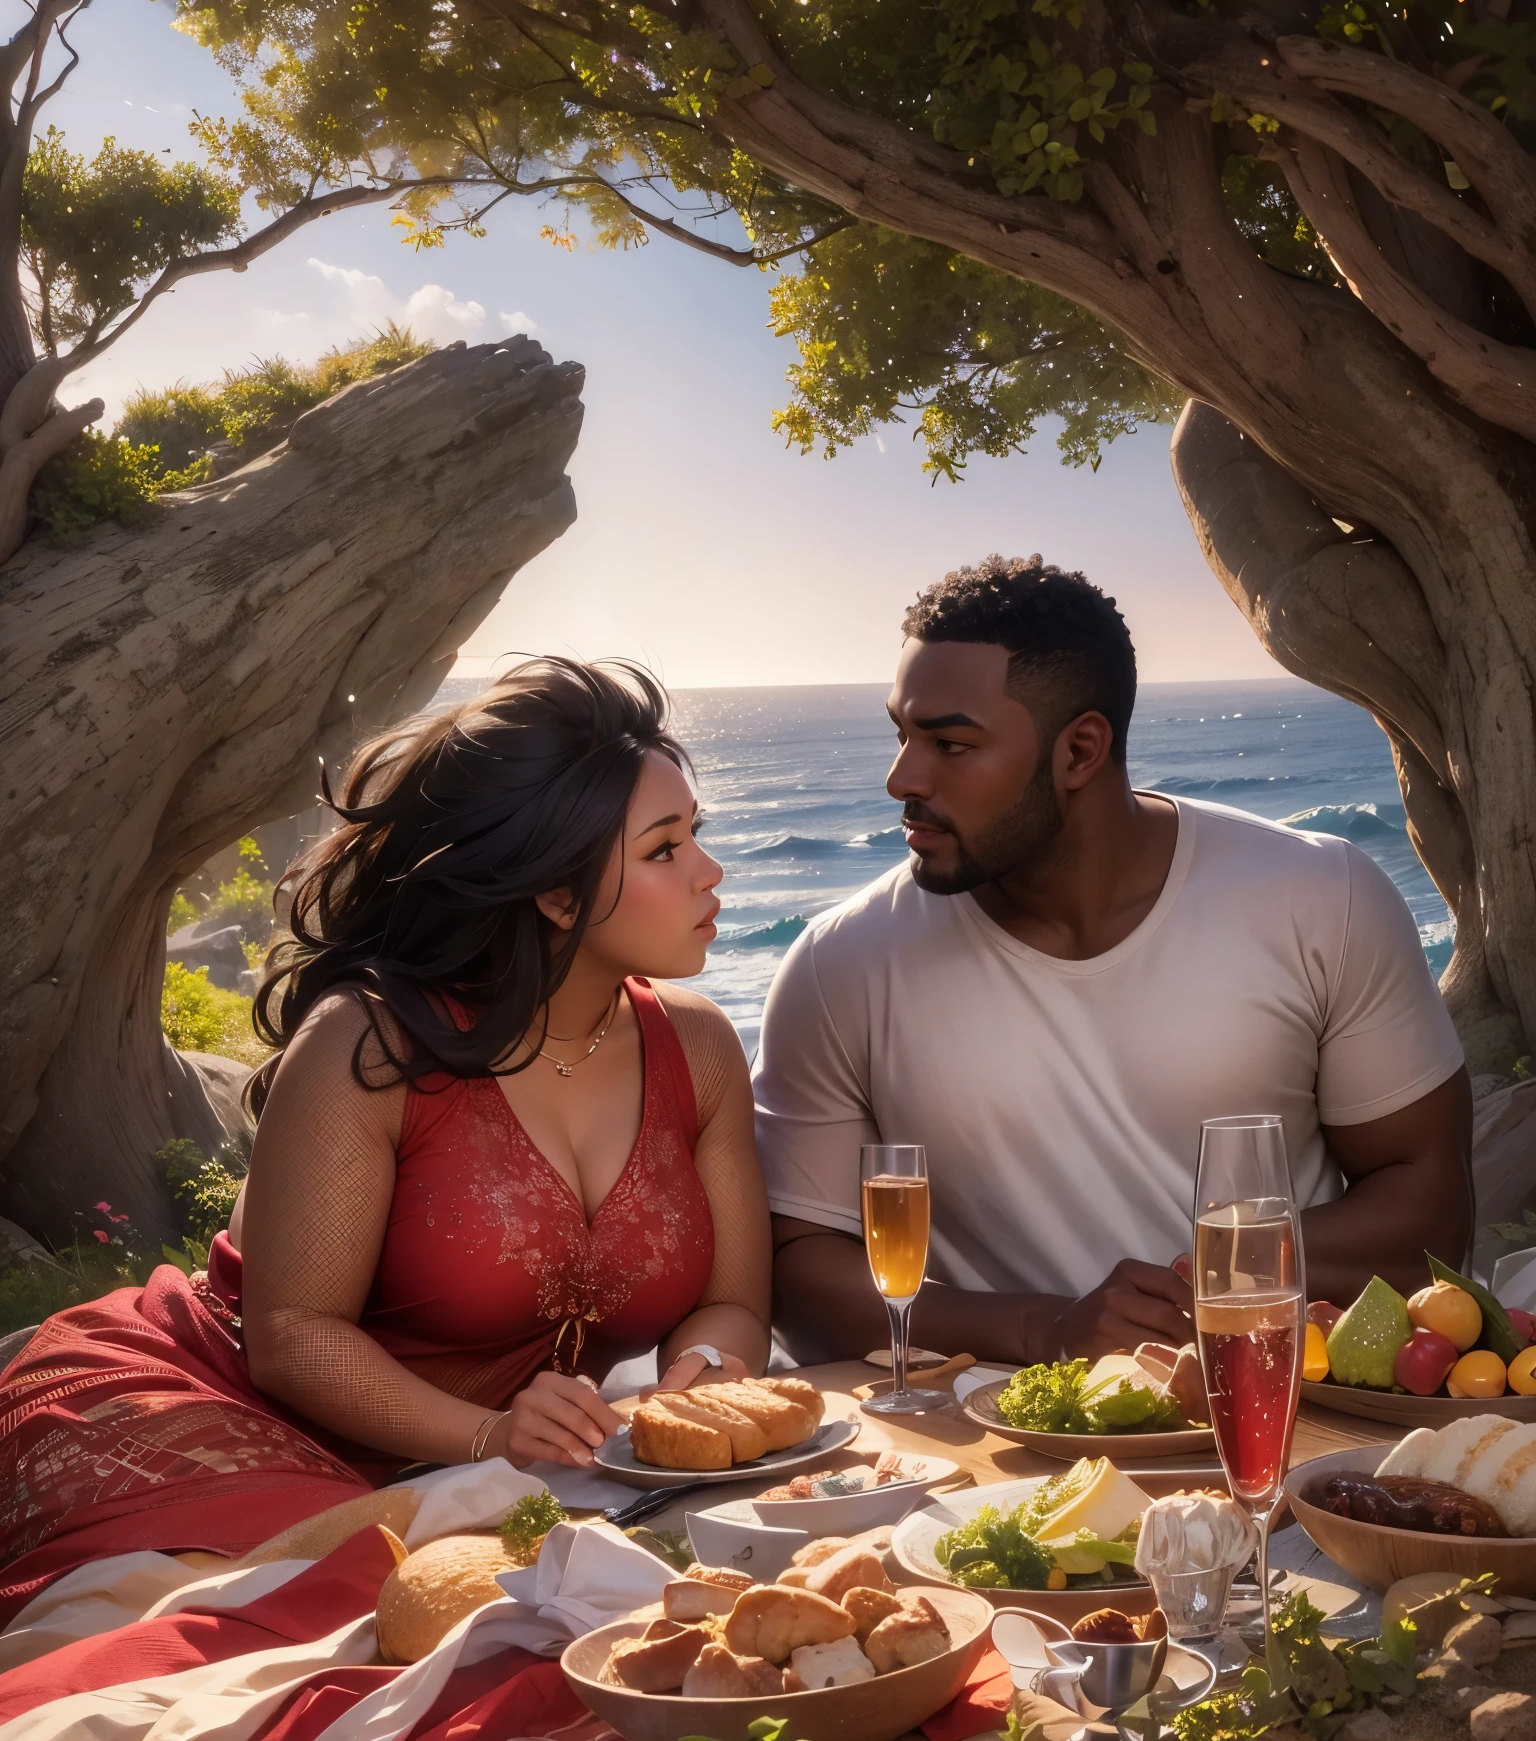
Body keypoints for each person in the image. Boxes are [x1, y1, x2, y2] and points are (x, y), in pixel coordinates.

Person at [0, 660, 770, 1612]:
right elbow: (290, 1336)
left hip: (493, 1469)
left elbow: (734, 1301)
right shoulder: (369, 1046)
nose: (708, 870)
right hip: (215, 1412)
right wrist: (491, 1439)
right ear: (558, 896)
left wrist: (693, 1388)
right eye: (663, 850)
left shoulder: (698, 1047)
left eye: (698, 833)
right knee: (319, 1624)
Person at [755, 556, 1472, 1366]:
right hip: (991, 1454)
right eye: (902, 734)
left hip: (1275, 1417)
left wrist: (1187, 1296)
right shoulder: (839, 963)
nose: (901, 778)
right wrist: (1044, 1331)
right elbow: (800, 1280)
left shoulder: (1321, 895)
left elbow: (1429, 1206)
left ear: (1080, 751)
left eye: (950, 744)